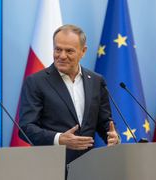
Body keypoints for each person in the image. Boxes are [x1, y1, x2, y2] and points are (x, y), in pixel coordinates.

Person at [19, 24, 120, 166]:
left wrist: (113, 136)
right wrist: (59, 139)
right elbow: (25, 128)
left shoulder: (96, 81)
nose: (62, 56)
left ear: (83, 51)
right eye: (58, 49)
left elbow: (104, 122)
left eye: (69, 51)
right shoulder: (36, 82)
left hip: (89, 166)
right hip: (50, 166)